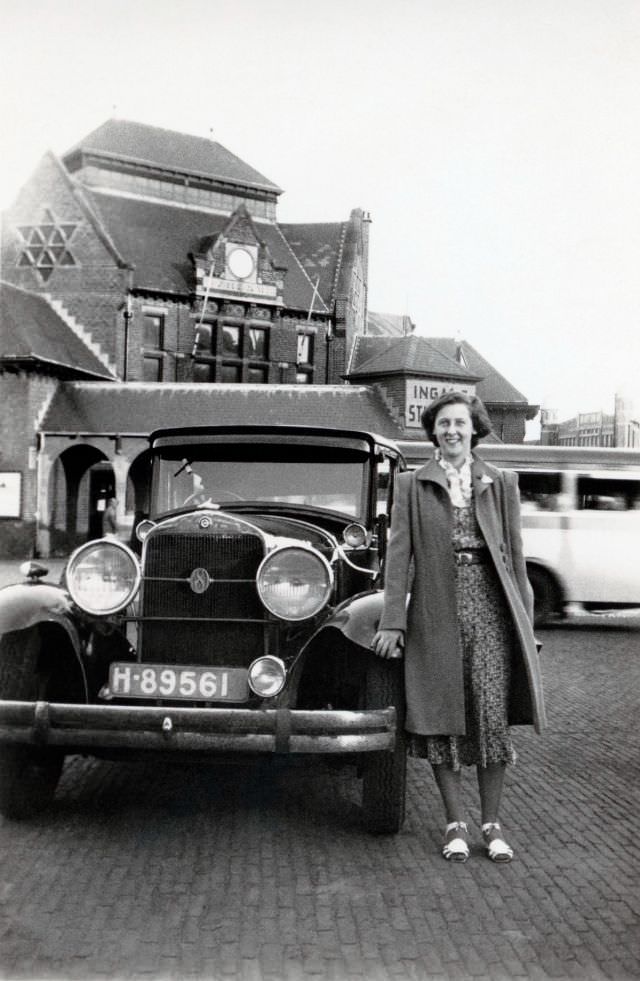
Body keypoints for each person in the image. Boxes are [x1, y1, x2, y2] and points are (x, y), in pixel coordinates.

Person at [372, 392, 546, 863]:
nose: (452, 431)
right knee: (443, 718)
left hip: (491, 610)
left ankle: (492, 825)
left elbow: (515, 561)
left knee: (489, 716)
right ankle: (455, 824)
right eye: (443, 424)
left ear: (475, 430)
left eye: (460, 424)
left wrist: (525, 629)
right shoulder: (411, 484)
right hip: (434, 612)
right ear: (433, 432)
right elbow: (397, 559)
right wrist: (393, 621)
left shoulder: (501, 482)